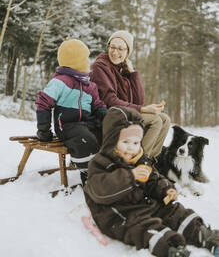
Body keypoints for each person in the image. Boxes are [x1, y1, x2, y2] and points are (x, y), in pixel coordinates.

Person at [84, 106, 219, 257]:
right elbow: (100, 190)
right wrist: (131, 176)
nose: (131, 148)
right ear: (111, 140)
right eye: (126, 142)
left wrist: (166, 189)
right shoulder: (100, 163)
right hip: (120, 213)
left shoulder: (140, 159)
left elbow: (154, 178)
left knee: (173, 211)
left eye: (136, 143)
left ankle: (201, 233)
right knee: (141, 226)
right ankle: (170, 248)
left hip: (145, 203)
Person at [35, 37, 107, 185]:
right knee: (85, 138)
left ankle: (109, 170)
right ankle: (89, 174)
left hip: (87, 124)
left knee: (104, 135)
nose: (89, 62)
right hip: (66, 127)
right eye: (86, 59)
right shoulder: (60, 82)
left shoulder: (90, 86)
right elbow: (43, 103)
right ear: (76, 62)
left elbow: (98, 105)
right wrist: (44, 130)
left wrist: (105, 116)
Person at [90, 30, 170, 160]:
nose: (115, 52)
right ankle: (137, 160)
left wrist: (132, 73)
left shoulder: (121, 69)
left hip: (122, 113)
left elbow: (139, 101)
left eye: (121, 49)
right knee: (156, 121)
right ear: (108, 47)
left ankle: (150, 160)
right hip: (107, 116)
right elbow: (110, 100)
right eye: (113, 47)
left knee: (165, 119)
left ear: (128, 52)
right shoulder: (100, 67)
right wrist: (144, 110)